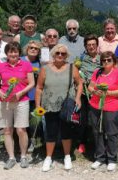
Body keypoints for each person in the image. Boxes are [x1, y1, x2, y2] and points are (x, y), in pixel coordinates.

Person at [35, 44, 83, 172]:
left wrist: (78, 98)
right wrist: (37, 105)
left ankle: (67, 156)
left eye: (63, 53)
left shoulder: (72, 68)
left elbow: (80, 83)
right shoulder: (45, 69)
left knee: (66, 131)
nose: (60, 55)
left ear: (66, 55)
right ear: (53, 54)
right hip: (49, 105)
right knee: (50, 131)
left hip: (66, 105)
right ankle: (48, 158)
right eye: (58, 53)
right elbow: (39, 88)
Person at [0, 42, 35, 169]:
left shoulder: (26, 65)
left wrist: (21, 93)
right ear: (7, 53)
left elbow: (32, 83)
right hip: (4, 102)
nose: (13, 54)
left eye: (15, 51)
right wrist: (1, 94)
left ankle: (23, 156)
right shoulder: (1, 66)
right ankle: (11, 157)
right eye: (10, 52)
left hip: (21, 101)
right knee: (7, 130)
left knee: (21, 130)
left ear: (19, 53)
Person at [87, 51, 118, 172]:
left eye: (109, 60)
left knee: (112, 133)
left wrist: (108, 93)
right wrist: (94, 91)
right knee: (97, 131)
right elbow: (90, 86)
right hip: (95, 106)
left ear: (114, 61)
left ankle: (112, 158)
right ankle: (99, 157)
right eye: (103, 60)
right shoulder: (97, 72)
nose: (106, 62)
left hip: (112, 107)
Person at [75, 34, 100, 155]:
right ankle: (82, 142)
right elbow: (76, 74)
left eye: (93, 44)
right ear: (85, 46)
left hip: (98, 94)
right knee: (83, 120)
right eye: (89, 45)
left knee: (97, 120)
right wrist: (80, 80)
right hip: (84, 94)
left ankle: (98, 144)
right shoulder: (81, 59)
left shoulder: (103, 58)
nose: (91, 47)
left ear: (97, 45)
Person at [21, 40, 43, 152]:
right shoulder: (21, 60)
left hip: (35, 95)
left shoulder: (40, 62)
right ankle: (21, 141)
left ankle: (33, 139)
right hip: (22, 95)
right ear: (27, 49)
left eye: (36, 48)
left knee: (34, 120)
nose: (33, 50)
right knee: (22, 119)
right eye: (31, 48)